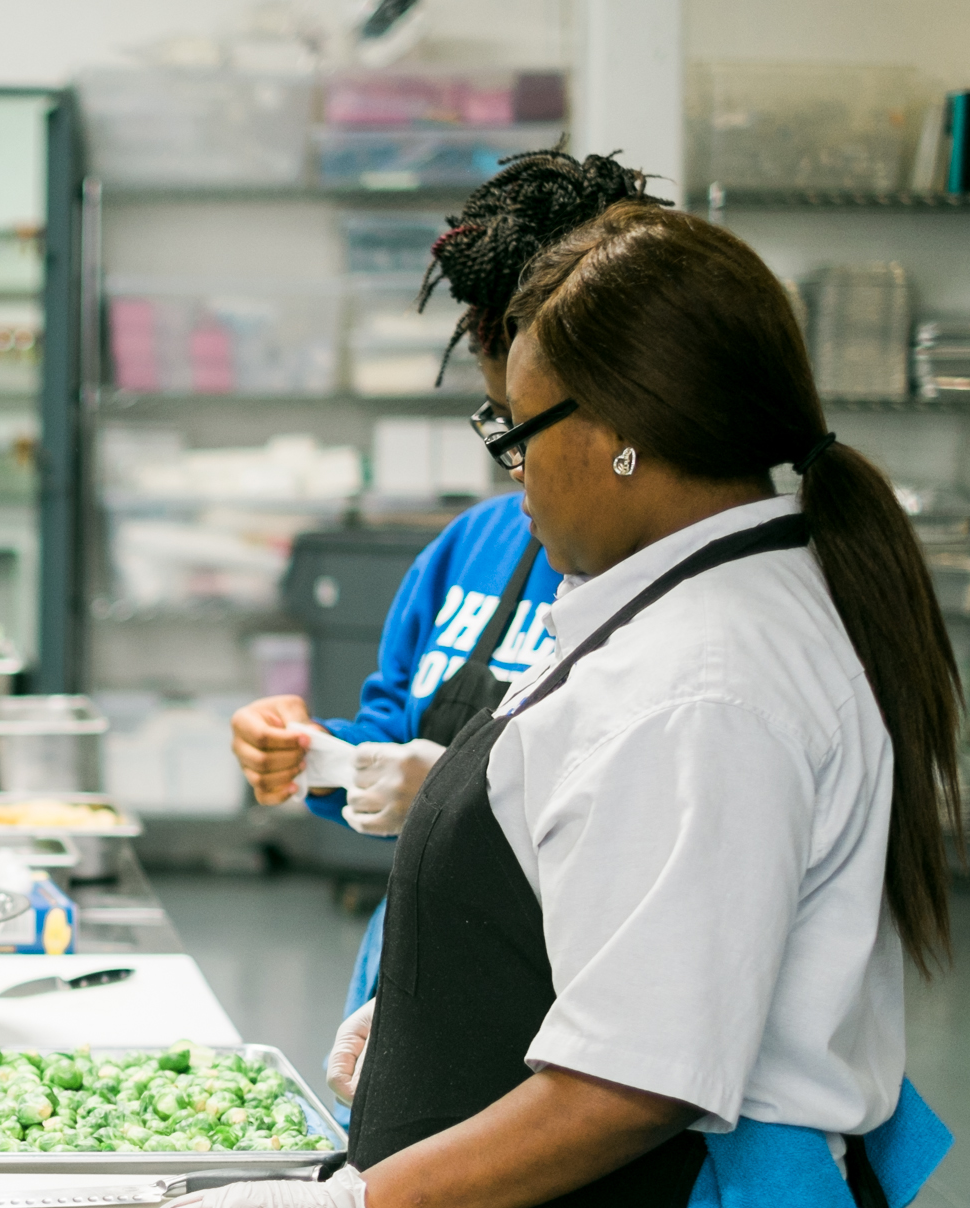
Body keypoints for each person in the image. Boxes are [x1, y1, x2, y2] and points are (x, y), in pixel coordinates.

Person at [115, 203, 960, 1208]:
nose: (510, 478)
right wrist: (436, 980)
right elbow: (612, 846)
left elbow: (633, 1080)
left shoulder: (710, 674)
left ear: (622, 430)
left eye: (516, 436)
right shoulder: (677, 601)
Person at [225, 150, 663, 1047]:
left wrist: (466, 795)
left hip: (565, 1014)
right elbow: (385, 732)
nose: (519, 468)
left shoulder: (666, 582)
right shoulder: (471, 547)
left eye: (530, 429)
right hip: (415, 977)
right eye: (501, 425)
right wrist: (314, 753)